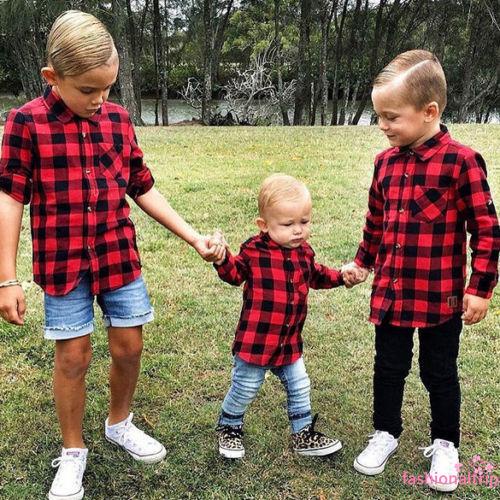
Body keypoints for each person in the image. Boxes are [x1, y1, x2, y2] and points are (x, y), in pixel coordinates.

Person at [0, 10, 224, 500]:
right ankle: (73, 450)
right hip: (63, 266)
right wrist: (6, 278)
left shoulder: (118, 121)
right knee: (73, 357)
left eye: (108, 87)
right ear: (52, 79)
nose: (100, 100)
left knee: (129, 347)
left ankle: (119, 422)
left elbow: (142, 188)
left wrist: (193, 237)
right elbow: (11, 198)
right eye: (88, 90)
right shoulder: (25, 124)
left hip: (118, 257)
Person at [342, 50, 499, 493]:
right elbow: (376, 221)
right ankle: (385, 432)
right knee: (388, 368)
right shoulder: (384, 164)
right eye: (379, 117)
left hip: (441, 295)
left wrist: (480, 288)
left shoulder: (461, 162)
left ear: (430, 112)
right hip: (392, 293)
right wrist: (362, 261)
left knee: (439, 371)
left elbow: (486, 230)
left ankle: (445, 443)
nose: (383, 126)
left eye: (391, 117)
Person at [212, 173, 345, 459]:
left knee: (300, 384)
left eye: (304, 222)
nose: (298, 230)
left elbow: (317, 275)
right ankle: (229, 425)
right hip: (256, 341)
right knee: (246, 386)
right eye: (288, 224)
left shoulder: (304, 253)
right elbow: (234, 274)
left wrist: (342, 277)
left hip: (289, 342)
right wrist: (222, 258)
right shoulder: (254, 251)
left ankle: (303, 433)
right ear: (264, 225)